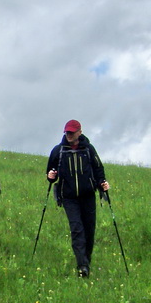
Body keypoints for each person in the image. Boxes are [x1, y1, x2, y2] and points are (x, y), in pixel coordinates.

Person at [46, 119, 109, 277]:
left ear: (79, 132)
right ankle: (82, 266)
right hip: (69, 197)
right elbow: (50, 171)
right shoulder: (58, 150)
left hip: (88, 195)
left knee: (89, 230)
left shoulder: (88, 149)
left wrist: (102, 183)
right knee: (76, 229)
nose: (69, 135)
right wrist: (51, 176)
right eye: (67, 132)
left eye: (72, 132)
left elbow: (98, 169)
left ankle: (86, 260)